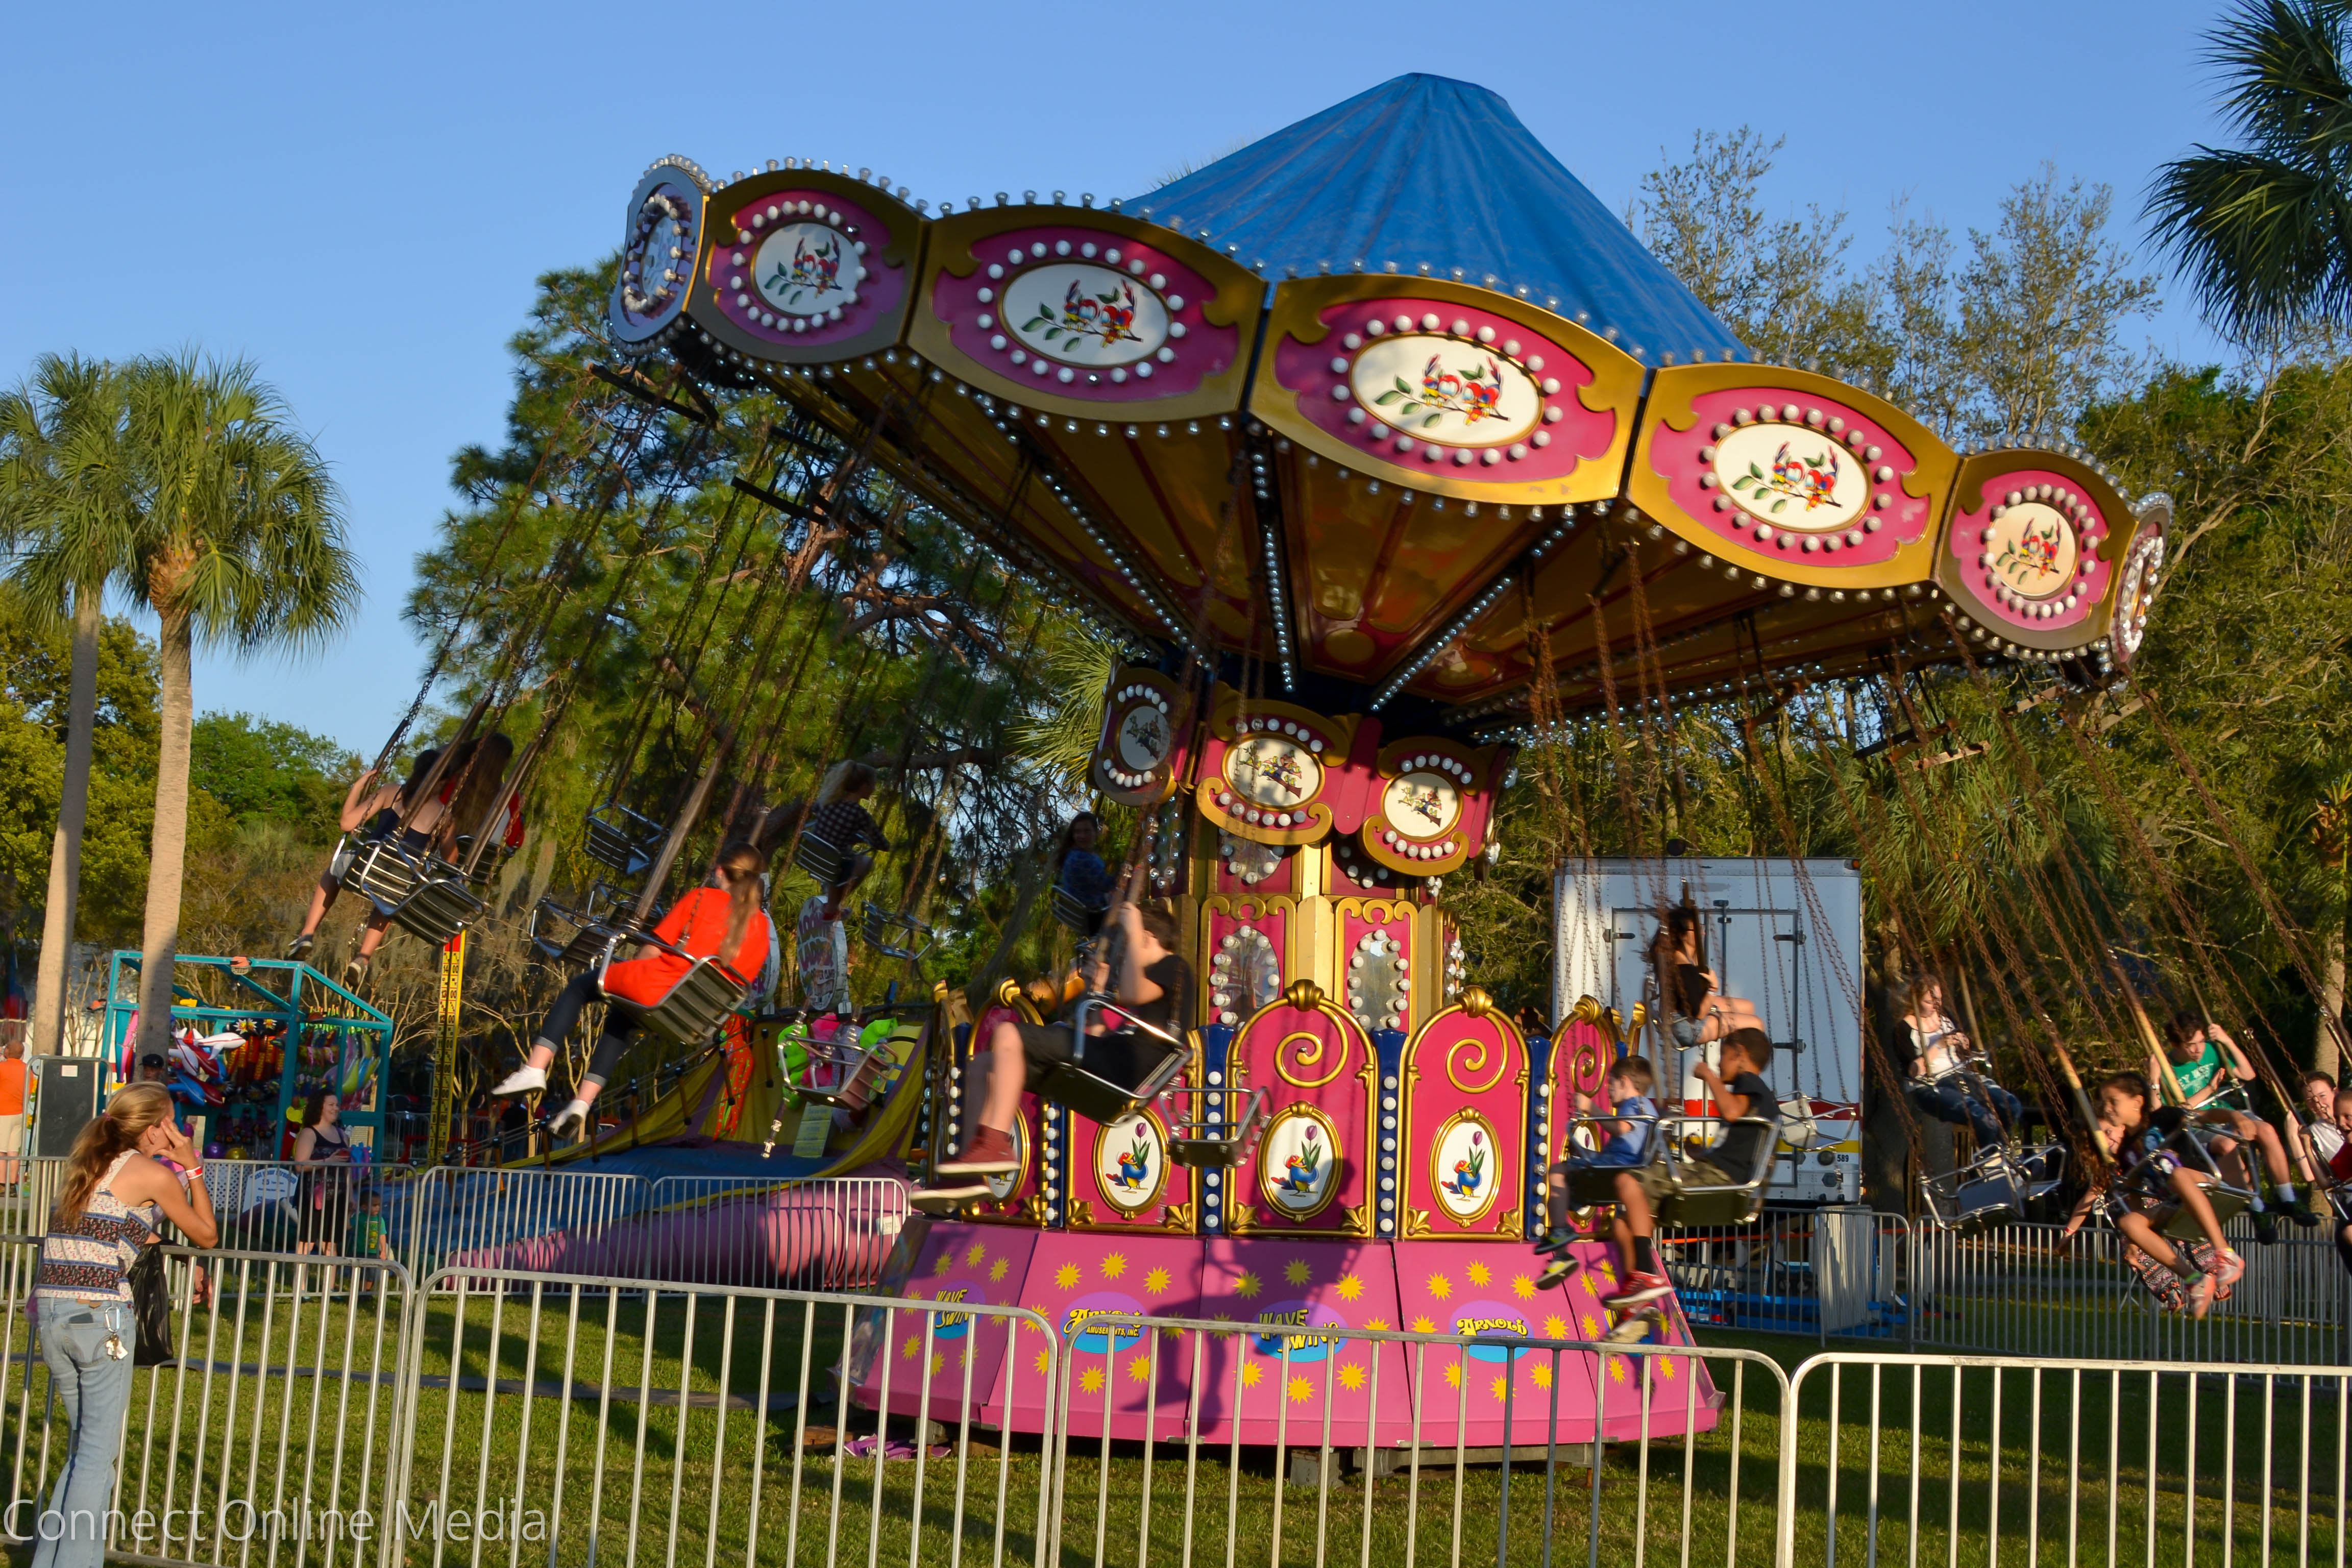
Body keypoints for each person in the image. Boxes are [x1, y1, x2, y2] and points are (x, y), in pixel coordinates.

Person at [30, 1083, 216, 1568]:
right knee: (96, 1458)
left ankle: (53, 1560)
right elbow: (207, 1234)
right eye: (172, 1121)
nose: (179, 1131)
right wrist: (192, 1165)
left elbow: (126, 1231)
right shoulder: (153, 1174)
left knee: (83, 1452)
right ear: (154, 1129)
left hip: (54, 1317)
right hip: (102, 1320)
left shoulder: (89, 1166)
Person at [490, 841, 774, 1138]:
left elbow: (652, 951)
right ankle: (582, 1104)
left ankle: (534, 1069)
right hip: (695, 1017)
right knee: (622, 1018)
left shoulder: (702, 898)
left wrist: (636, 967)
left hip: (659, 989)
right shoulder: (762, 929)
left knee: (580, 988)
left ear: (721, 871)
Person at [935, 897, 1191, 1177]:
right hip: (1114, 1064)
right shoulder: (1153, 996)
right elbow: (1099, 1036)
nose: (1122, 958)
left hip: (1126, 1072)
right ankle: (974, 1164)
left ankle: (995, 1144)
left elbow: (1131, 993)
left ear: (1146, 937)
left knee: (1008, 1033)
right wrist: (1096, 991)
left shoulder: (1174, 966)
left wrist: (1132, 929)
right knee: (985, 1064)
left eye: (1127, 946)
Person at [1601, 1027, 1781, 1320]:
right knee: (1623, 1221)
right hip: (1718, 1173)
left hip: (1721, 1179)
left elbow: (1731, 1111)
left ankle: (1645, 1274)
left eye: (1724, 1055)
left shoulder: (1749, 1083)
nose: (1719, 1063)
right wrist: (1700, 1153)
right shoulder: (1762, 1098)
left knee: (1627, 1180)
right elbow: (1740, 1142)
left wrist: (1708, 1076)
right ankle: (1637, 1302)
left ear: (1740, 1055)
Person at [343, 733, 524, 990]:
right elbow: (516, 841)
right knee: (392, 895)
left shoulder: (455, 785)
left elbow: (430, 801)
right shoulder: (512, 799)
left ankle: (342, 946)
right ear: (505, 763)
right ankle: (364, 956)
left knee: (392, 887)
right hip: (466, 875)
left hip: (434, 868)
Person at [2057, 1072, 2245, 1319]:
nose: (2109, 1139)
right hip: (2174, 1203)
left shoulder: (2156, 1124)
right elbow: (2115, 1197)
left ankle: (2224, 1256)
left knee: (2179, 1181)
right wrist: (2132, 1241)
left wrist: (2234, 1116)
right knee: (2129, 1224)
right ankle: (2194, 1280)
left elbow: (2193, 1115)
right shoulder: (2125, 1157)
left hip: (2199, 1184)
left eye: (2110, 1131)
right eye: (2102, 1137)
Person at [2150, 1013, 2314, 1238]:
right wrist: (2155, 1078)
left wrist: (2226, 1040)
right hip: (2197, 1123)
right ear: (2176, 1045)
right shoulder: (2166, 1067)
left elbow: (2247, 1074)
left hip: (2225, 1112)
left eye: (2201, 1042)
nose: (2198, 1050)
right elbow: (2164, 1112)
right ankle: (2256, 1208)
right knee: (2227, 1144)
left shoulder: (2211, 1050)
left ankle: (2287, 1198)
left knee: (2266, 1130)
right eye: (2190, 1045)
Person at [284, 748, 441, 964]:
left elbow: (347, 824)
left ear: (416, 771)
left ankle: (307, 933)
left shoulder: (392, 791)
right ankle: (363, 958)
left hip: (365, 868)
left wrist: (357, 787)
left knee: (333, 871)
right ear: (443, 781)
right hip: (397, 881)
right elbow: (450, 859)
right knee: (389, 901)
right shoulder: (444, 815)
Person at [1531, 1055, 1659, 1290]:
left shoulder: (1637, 1104)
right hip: (1614, 1167)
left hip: (1613, 1170)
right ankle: (1562, 1250)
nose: (1608, 1090)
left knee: (1557, 1172)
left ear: (1624, 1081)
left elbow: (1620, 1128)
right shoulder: (1644, 1106)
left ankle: (1561, 1241)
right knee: (1614, 1223)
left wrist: (1591, 1108)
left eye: (1611, 1083)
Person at [1889, 974, 2022, 1148]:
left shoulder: (1945, 1016)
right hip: (1931, 1085)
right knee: (1982, 1117)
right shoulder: (1904, 1028)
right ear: (1915, 1000)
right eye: (1929, 1002)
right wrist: (1939, 1045)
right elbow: (1914, 1071)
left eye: (1939, 999)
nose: (1936, 1005)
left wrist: (1964, 1042)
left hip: (1960, 1076)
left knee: (2011, 1106)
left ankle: (2001, 1150)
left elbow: (1964, 1049)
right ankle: (1990, 1156)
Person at [1648, 903, 1765, 1049]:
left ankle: (1734, 1048)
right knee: (1757, 1024)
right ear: (1682, 935)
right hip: (1690, 1028)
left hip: (1685, 1015)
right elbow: (1700, 1013)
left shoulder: (1680, 956)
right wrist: (1713, 988)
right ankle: (1734, 1058)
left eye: (1701, 928)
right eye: (1697, 930)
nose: (1702, 933)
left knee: (1749, 1007)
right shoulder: (1684, 968)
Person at [291, 1092, 352, 1257]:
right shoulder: (309, 1133)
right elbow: (300, 1165)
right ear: (320, 1107)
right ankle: (300, 1274)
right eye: (331, 1105)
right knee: (307, 1241)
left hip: (338, 1195)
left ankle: (330, 1275)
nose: (336, 1109)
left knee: (331, 1243)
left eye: (337, 1105)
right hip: (313, 1195)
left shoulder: (342, 1135)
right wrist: (327, 1161)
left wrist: (351, 1196)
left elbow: (347, 1169)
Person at [1054, 813, 1115, 935]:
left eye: (1087, 831)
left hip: (1081, 918)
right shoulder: (1084, 860)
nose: (1082, 836)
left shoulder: (1071, 855)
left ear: (1096, 833)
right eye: (1078, 832)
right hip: (1094, 919)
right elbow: (1108, 886)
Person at [0, 1030, 29, 1186]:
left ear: (8, 1051)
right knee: (13, 1151)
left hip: (3, 1113)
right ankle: (12, 1184)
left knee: (1, 1151)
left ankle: (1, 1184)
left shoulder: (2, 1067)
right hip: (19, 1113)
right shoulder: (27, 1069)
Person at [2301, 1071, 2342, 1168]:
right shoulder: (2313, 1133)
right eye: (2310, 1100)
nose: (2317, 1104)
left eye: (2322, 1096)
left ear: (2336, 1092)